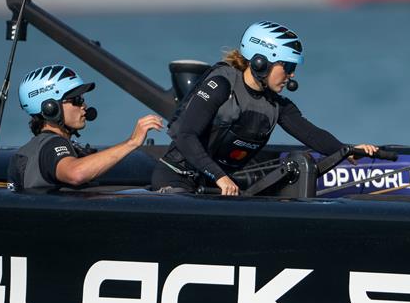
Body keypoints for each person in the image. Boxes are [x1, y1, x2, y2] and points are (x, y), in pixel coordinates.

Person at [151, 21, 378, 195]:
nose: (291, 75)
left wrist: (345, 149)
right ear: (261, 62)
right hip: (176, 179)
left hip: (212, 185)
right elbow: (186, 136)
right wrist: (220, 177)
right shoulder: (221, 85)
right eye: (287, 66)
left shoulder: (276, 105)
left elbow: (310, 133)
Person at [8, 64, 163, 190]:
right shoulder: (52, 145)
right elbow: (76, 173)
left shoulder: (36, 148)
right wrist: (132, 142)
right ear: (50, 107)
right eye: (76, 100)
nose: (84, 106)